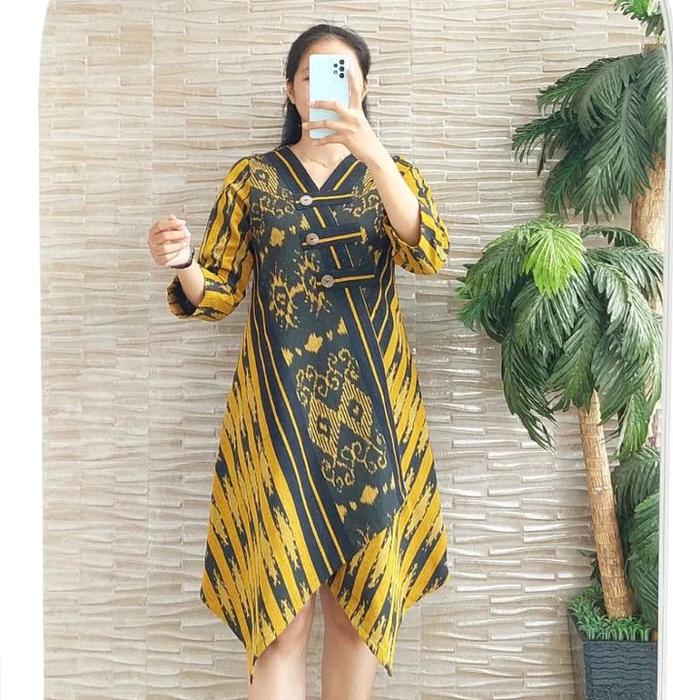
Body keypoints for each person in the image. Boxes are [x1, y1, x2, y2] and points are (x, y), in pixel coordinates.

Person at [147, 22, 450, 700]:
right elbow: (217, 293)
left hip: (372, 415)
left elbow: (428, 252)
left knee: (357, 616)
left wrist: (373, 154)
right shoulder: (253, 180)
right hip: (278, 415)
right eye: (312, 74)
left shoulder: (393, 175)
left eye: (342, 75)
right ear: (290, 88)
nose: (324, 87)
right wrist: (185, 262)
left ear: (363, 88)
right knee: (281, 623)